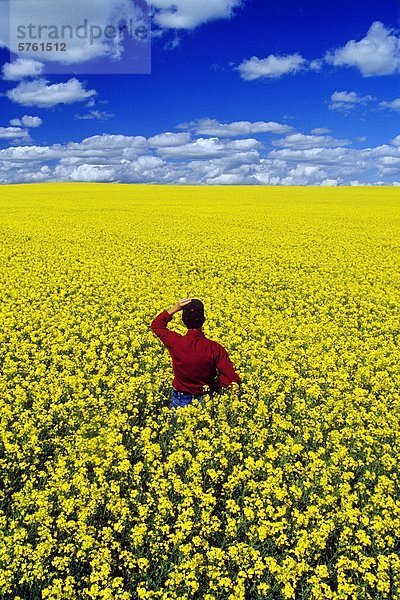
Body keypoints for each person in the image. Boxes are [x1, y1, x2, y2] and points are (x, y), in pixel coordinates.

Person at [151, 298, 241, 409]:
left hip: (179, 399)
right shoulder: (215, 348)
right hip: (204, 402)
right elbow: (232, 379)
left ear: (183, 321)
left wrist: (176, 307)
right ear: (204, 320)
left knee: (175, 426)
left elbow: (156, 325)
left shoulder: (176, 342)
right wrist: (215, 386)